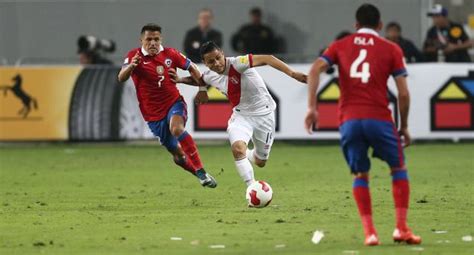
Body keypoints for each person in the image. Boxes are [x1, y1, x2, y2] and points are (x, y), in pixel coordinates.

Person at [304, 4, 421, 246]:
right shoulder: (391, 48)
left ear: (356, 25)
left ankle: (370, 233)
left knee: (360, 173)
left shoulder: (340, 45)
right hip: (379, 119)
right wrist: (405, 125)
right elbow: (404, 94)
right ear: (380, 26)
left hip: (349, 120)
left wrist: (312, 108)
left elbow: (315, 69)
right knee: (398, 169)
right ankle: (401, 228)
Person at [169, 41, 306, 188]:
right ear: (205, 63)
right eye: (210, 61)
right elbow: (200, 79)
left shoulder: (238, 63)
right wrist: (182, 80)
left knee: (260, 162)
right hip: (241, 117)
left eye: (218, 58)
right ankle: (251, 187)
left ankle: (248, 154)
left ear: (222, 54)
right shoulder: (210, 75)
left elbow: (268, 58)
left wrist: (292, 73)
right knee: (237, 149)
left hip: (264, 115)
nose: (216, 63)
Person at [118, 23, 217, 188]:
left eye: (156, 39)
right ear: (141, 40)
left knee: (177, 129)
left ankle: (200, 170)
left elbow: (192, 68)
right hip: (152, 115)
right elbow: (121, 77)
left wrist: (201, 88)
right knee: (177, 155)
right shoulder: (133, 56)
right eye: (149, 39)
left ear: (160, 39)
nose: (153, 43)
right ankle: (199, 175)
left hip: (174, 103)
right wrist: (131, 66)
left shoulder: (170, 54)